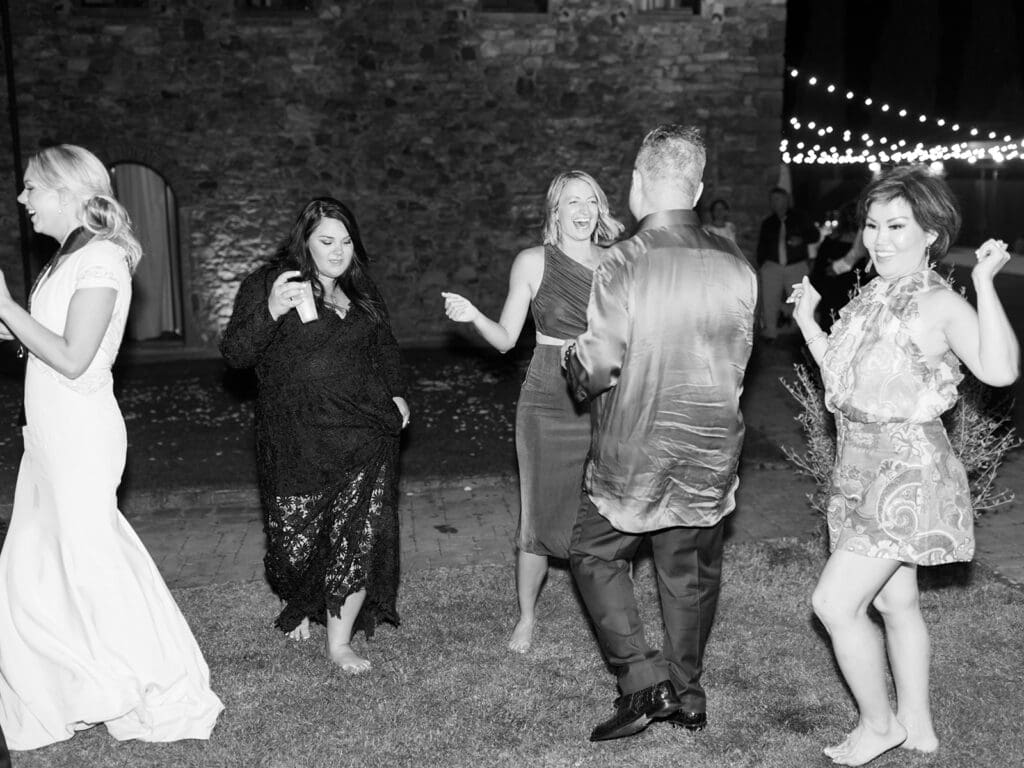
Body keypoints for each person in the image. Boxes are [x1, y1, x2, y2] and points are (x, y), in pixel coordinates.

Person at [788, 165, 1019, 766]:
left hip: (905, 475)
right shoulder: (872, 294)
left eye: (896, 226)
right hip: (858, 469)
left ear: (930, 234)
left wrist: (985, 284)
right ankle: (918, 728)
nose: (880, 239)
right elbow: (843, 384)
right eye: (872, 225)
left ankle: (879, 726)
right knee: (895, 604)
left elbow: (1000, 370)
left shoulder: (938, 301)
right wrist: (809, 323)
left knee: (835, 604)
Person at [0, 144, 224, 749]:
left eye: (31, 187)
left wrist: (8, 307)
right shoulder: (68, 258)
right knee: (38, 567)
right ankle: (73, 687)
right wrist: (9, 321)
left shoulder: (100, 257)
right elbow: (45, 338)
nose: (22, 199)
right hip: (50, 436)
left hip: (80, 436)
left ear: (67, 191)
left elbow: (74, 357)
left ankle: (151, 680)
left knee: (91, 567)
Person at [562, 125, 757, 742]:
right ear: (696, 188)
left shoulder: (622, 261)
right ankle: (689, 696)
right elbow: (740, 357)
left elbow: (597, 367)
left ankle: (644, 681)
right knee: (690, 572)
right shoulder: (737, 263)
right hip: (710, 446)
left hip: (637, 447)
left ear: (637, 183)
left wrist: (571, 359)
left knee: (593, 553)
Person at [220, 197, 410, 674]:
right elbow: (236, 353)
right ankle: (301, 598)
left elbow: (385, 347)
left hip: (364, 431)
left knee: (358, 536)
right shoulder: (270, 282)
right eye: (327, 241)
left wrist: (397, 393)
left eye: (346, 241)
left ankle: (339, 643)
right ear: (304, 242)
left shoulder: (361, 290)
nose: (338, 251)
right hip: (296, 438)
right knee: (294, 545)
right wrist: (270, 308)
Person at [441, 171, 624, 653]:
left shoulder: (617, 260)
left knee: (609, 504)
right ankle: (526, 616)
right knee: (538, 512)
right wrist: (473, 316)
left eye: (591, 201)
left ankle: (612, 606)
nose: (582, 211)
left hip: (605, 394)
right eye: (572, 202)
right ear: (555, 212)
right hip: (548, 396)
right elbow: (506, 340)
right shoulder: (533, 261)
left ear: (600, 209)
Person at [755, 186, 820, 340]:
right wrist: (762, 265)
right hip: (773, 266)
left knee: (800, 301)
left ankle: (801, 333)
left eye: (777, 199)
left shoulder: (800, 218)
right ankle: (771, 331)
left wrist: (801, 239)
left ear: (785, 200)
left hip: (795, 265)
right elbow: (762, 246)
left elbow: (815, 235)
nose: (774, 202)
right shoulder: (768, 223)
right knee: (770, 300)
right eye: (772, 200)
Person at [808, 201, 870, 331]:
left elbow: (819, 269)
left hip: (846, 289)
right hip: (840, 289)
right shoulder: (864, 242)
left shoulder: (864, 242)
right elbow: (819, 268)